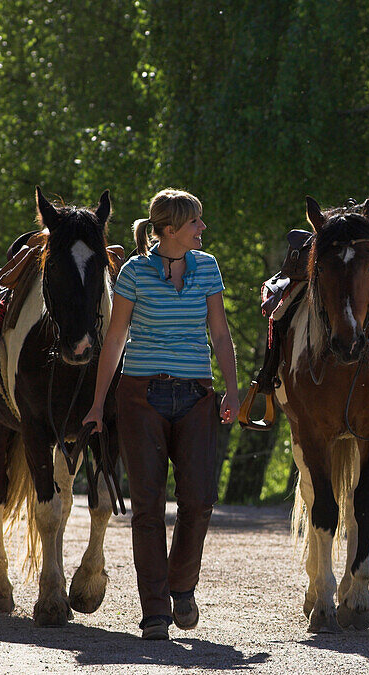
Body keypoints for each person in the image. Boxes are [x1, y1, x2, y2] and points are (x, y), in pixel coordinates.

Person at [82, 189, 239, 641]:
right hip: (140, 398)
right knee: (147, 508)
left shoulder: (207, 268)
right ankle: (155, 613)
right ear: (170, 229)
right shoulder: (133, 272)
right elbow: (114, 341)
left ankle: (182, 587)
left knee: (199, 500)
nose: (202, 229)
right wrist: (97, 404)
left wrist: (231, 388)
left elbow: (221, 335)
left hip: (196, 397)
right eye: (195, 222)